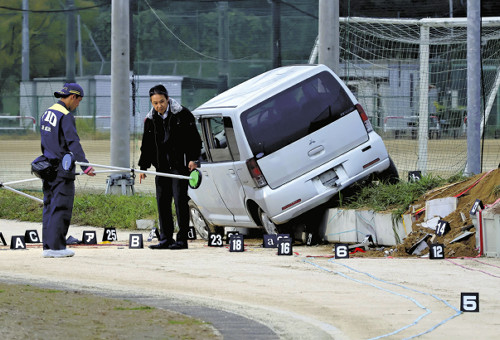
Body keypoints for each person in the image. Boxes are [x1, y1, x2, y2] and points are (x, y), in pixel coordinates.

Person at [139, 84, 202, 250]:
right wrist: (143, 167)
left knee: (180, 202)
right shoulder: (150, 119)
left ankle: (182, 239)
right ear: (151, 103)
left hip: (179, 166)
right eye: (155, 103)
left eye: (161, 101)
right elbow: (147, 145)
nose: (159, 106)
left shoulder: (183, 115)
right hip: (161, 167)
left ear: (167, 99)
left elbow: (194, 139)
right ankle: (166, 238)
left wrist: (193, 159)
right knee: (162, 202)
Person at [40, 83, 95, 258]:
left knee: (49, 205)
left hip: (47, 166)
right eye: (79, 101)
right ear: (73, 97)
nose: (78, 105)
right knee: (61, 206)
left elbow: (44, 141)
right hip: (62, 168)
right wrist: (85, 166)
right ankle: (57, 247)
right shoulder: (66, 116)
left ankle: (48, 246)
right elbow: (73, 143)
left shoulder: (47, 112)